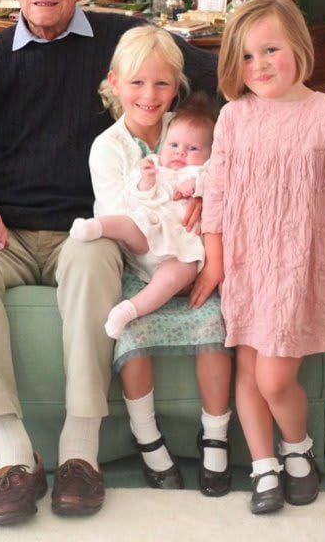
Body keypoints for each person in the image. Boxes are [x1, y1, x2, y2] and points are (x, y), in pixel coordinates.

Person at [0, 0, 218, 526]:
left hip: (83, 231)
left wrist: (217, 165)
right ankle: (12, 455)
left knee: (93, 255)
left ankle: (79, 452)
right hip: (1, 234)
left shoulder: (122, 40)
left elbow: (212, 80)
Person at [189, 0, 325, 515]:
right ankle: (265, 465)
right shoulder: (234, 118)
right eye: (246, 57)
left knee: (274, 377)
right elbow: (218, 198)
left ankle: (299, 447)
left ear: (298, 44)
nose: (260, 65)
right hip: (248, 263)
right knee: (248, 372)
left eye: (270, 49)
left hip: (301, 266)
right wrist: (217, 259)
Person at [68, 25, 233, 497]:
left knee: (214, 328)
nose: (149, 95)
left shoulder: (188, 132)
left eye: (162, 84)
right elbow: (116, 213)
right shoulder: (110, 147)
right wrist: (152, 187)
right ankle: (148, 439)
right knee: (131, 338)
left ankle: (216, 437)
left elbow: (220, 175)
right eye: (138, 83)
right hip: (140, 265)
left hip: (193, 260)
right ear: (115, 83)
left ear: (176, 87)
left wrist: (205, 197)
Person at [70, 83, 218, 340]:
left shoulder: (204, 171)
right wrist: (146, 182)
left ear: (209, 154)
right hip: (150, 230)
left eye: (193, 149)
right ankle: (95, 226)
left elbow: (219, 184)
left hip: (182, 248)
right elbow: (136, 196)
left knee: (176, 275)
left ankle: (129, 310)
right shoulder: (155, 165)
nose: (181, 152)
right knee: (130, 223)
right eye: (173, 145)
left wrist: (198, 188)